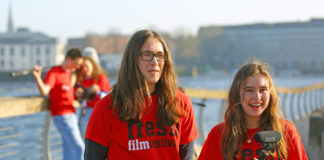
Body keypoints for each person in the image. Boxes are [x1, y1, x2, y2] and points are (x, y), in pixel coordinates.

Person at [84, 29, 199, 160]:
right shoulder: (106, 107)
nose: (155, 61)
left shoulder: (181, 103)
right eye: (147, 54)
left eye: (160, 55)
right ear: (132, 59)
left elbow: (187, 157)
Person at [198, 61, 308, 160]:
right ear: (237, 94)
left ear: (270, 94)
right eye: (249, 90)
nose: (257, 97)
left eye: (263, 90)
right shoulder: (219, 134)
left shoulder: (287, 132)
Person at [33, 48, 85, 160]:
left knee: (69, 150)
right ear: (68, 59)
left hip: (71, 114)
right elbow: (45, 91)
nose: (77, 67)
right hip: (62, 116)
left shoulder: (68, 73)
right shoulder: (54, 72)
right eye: (76, 64)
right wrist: (38, 77)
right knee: (79, 148)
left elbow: (67, 91)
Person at [75, 56, 111, 138]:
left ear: (92, 65)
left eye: (87, 66)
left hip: (100, 113)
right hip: (85, 114)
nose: (84, 69)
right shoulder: (78, 82)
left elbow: (108, 97)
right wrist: (78, 94)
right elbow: (75, 97)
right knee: (87, 139)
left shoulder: (101, 78)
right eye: (82, 67)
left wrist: (97, 92)